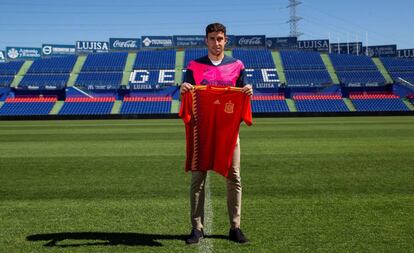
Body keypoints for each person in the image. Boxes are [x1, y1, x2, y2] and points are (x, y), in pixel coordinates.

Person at [180, 22, 253, 244]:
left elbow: (244, 90)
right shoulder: (194, 66)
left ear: (226, 40)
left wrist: (248, 91)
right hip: (201, 132)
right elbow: (186, 92)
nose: (216, 43)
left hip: (228, 133)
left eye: (220, 38)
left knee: (234, 178)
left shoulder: (237, 65)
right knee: (197, 179)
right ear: (206, 40)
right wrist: (183, 90)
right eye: (212, 38)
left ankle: (235, 227)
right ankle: (196, 228)